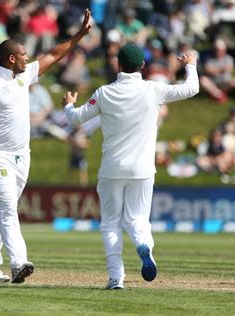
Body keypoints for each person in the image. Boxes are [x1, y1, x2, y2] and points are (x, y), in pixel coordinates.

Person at [0, 9, 92, 284]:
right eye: (24, 55)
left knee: (3, 210)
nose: (29, 58)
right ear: (11, 58)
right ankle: (19, 262)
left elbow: (53, 54)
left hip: (21, 157)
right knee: (8, 208)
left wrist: (80, 35)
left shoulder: (23, 77)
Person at [62, 44, 199, 290]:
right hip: (143, 170)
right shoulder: (152, 89)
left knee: (111, 223)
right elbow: (192, 88)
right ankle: (143, 246)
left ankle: (116, 278)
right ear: (143, 66)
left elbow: (76, 118)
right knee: (138, 220)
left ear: (118, 65)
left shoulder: (104, 92)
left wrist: (69, 104)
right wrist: (190, 65)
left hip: (112, 169)